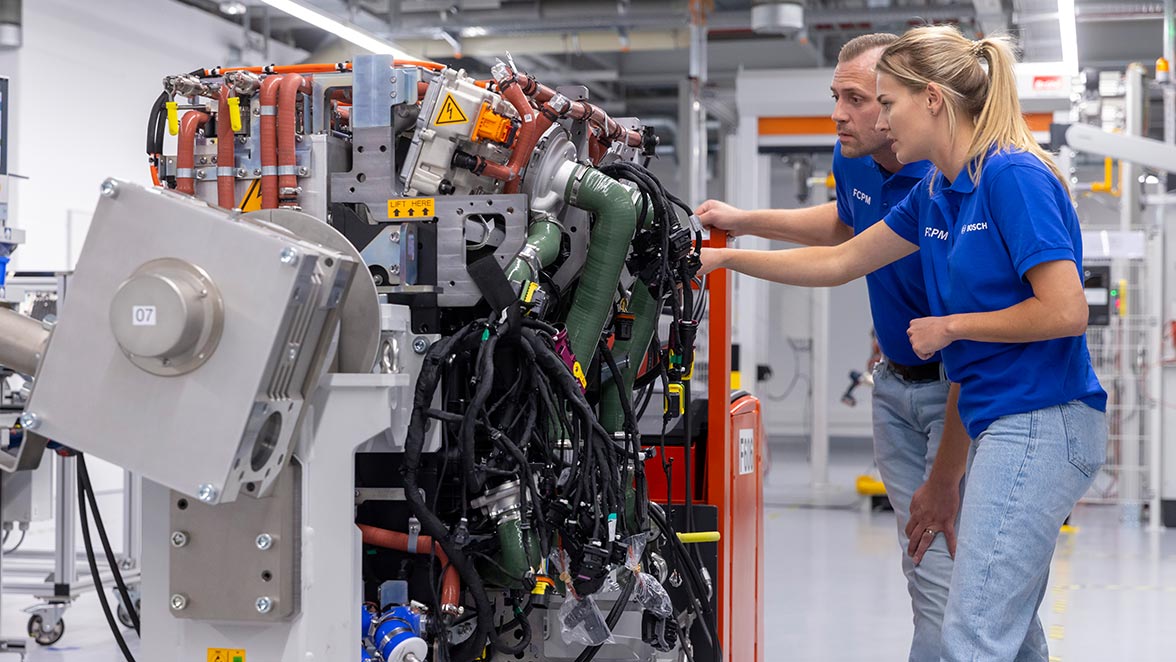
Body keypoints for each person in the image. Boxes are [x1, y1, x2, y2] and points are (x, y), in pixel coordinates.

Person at [701, 25, 1107, 661]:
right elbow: (843, 259)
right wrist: (727, 260)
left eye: (886, 103)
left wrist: (954, 328)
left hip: (1042, 421)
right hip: (999, 417)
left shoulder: (1012, 176)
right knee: (1010, 635)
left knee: (969, 633)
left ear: (934, 101)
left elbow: (1066, 310)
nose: (882, 122)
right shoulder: (936, 192)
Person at [695, 33, 966, 662]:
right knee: (931, 568)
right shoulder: (855, 157)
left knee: (949, 576)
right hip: (896, 388)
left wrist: (732, 254)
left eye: (858, 98)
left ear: (905, 102)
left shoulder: (942, 183)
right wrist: (743, 222)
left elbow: (845, 260)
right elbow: (848, 226)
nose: (838, 113)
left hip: (957, 394)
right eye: (834, 96)